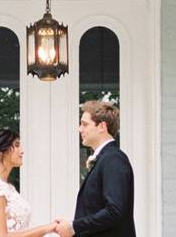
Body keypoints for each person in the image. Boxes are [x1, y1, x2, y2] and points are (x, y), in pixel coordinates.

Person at [54, 101, 135, 237]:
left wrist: (74, 227)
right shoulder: (106, 158)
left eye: (85, 124)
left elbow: (114, 211)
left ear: (102, 126)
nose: (80, 129)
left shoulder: (113, 159)